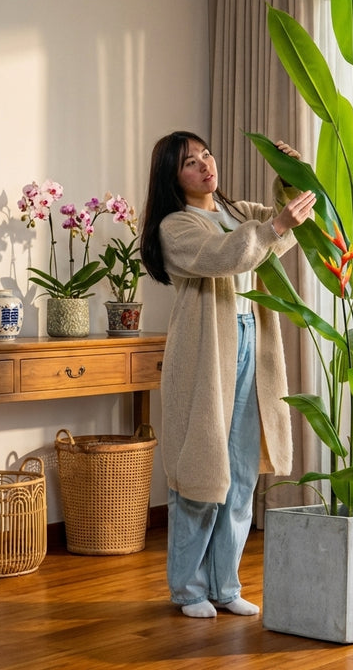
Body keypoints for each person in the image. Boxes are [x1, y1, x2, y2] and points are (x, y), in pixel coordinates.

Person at [140, 130, 315, 619]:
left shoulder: (238, 212)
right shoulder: (177, 226)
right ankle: (189, 589)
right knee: (201, 471)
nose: (205, 166)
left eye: (206, 155)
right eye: (191, 163)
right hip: (205, 354)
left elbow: (284, 231)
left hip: (250, 342)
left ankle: (225, 584)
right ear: (173, 179)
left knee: (239, 473)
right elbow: (226, 256)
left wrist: (290, 177)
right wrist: (275, 224)